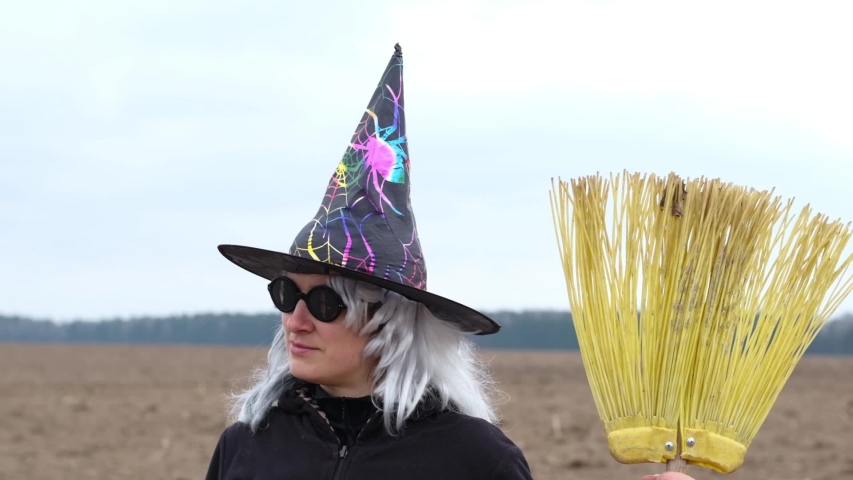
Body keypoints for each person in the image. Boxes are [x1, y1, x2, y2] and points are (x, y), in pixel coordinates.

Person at [204, 44, 697, 480]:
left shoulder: (476, 462)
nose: (296, 319)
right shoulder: (247, 448)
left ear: (388, 320)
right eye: (286, 294)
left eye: (326, 302)